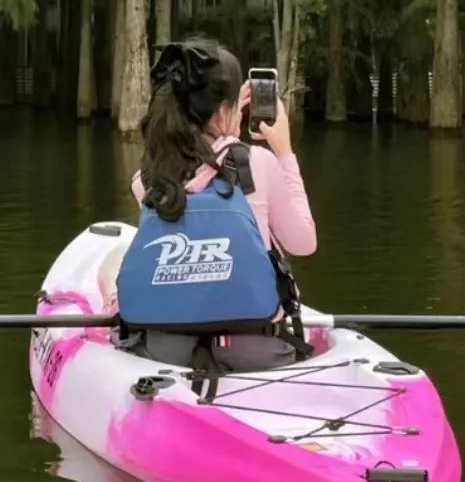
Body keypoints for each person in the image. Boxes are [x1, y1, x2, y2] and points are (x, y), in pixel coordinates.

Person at [113, 36, 317, 372]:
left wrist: (227, 125)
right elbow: (303, 243)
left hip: (167, 349)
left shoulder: (147, 178)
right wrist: (285, 153)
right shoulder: (258, 163)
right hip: (255, 350)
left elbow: (204, 164)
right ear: (224, 110)